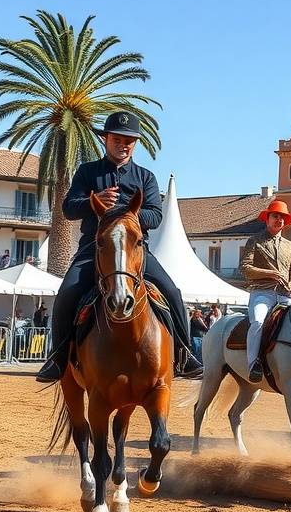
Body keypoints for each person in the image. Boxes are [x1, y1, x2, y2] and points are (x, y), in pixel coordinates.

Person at [35, 111, 202, 383]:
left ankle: (184, 354)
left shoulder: (145, 177)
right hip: (95, 249)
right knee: (66, 292)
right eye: (117, 139)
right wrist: (94, 201)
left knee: (172, 290)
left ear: (135, 144)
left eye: (129, 140)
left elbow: (155, 216)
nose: (123, 144)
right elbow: (68, 209)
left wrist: (128, 215)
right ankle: (57, 358)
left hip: (136, 252)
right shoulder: (87, 171)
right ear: (106, 140)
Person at [240, 200, 291, 383]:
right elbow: (244, 268)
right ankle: (253, 364)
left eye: (282, 217)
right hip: (262, 293)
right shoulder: (255, 241)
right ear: (267, 219)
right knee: (258, 321)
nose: (279, 220)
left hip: (285, 294)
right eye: (275, 216)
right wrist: (270, 273)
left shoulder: (290, 246)